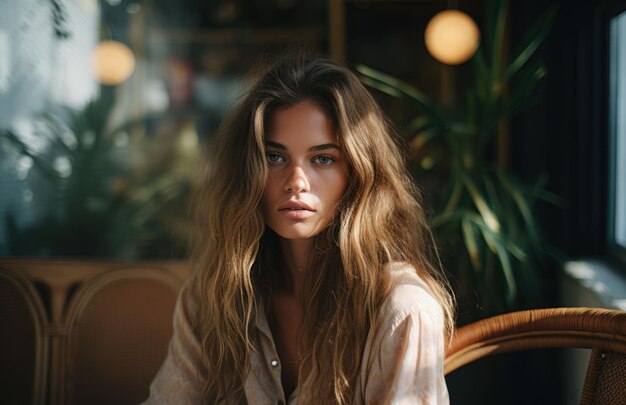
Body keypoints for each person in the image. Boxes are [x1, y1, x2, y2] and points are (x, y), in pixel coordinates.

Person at [143, 52, 455, 404]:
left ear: (359, 174)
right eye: (275, 157)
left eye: (323, 159)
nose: (296, 182)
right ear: (248, 170)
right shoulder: (212, 296)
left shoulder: (401, 311)